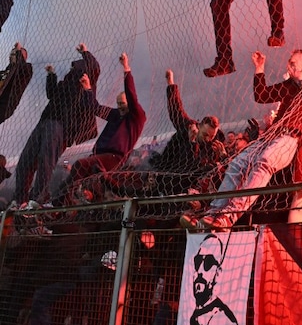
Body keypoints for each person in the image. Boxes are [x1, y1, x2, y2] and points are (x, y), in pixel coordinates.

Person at [181, 49, 302, 229]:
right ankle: (212, 214)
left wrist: (301, 77)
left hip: (293, 137)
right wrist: (260, 68)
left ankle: (228, 217)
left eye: (293, 63)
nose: (289, 66)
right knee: (237, 164)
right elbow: (261, 95)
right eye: (290, 63)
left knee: (264, 162)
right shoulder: (288, 85)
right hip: (271, 135)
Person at [13, 43, 100, 207]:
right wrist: (51, 75)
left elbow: (95, 67)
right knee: (25, 161)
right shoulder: (65, 84)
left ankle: (36, 200)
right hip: (45, 121)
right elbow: (51, 94)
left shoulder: (83, 84)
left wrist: (85, 52)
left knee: (46, 161)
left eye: (75, 68)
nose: (72, 70)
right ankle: (20, 201)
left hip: (60, 126)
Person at [56, 53, 146, 204]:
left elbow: (131, 96)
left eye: (123, 103)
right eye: (118, 103)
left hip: (114, 157)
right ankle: (63, 204)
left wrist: (126, 69)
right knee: (85, 178)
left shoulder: (137, 117)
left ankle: (59, 202)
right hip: (99, 156)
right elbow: (95, 108)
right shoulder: (115, 115)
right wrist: (87, 88)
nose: (119, 106)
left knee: (80, 165)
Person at [149, 69, 227, 195]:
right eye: (205, 135)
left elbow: (200, 166)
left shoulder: (216, 145)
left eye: (211, 136)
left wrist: (223, 155)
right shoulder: (189, 127)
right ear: (199, 126)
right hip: (172, 177)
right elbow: (176, 111)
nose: (208, 139)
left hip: (191, 188)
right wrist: (171, 83)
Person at [180, 234, 242, 325]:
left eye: (208, 263)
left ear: (218, 273)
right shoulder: (198, 315)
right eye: (198, 262)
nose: (200, 270)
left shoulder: (220, 320)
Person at [0, 42, 33, 125]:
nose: (13, 54)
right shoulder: (5, 72)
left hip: (4, 106)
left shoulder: (27, 70)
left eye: (17, 53)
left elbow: (20, 68)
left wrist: (18, 52)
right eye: (13, 52)